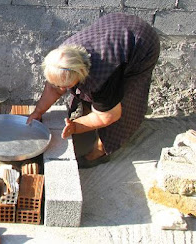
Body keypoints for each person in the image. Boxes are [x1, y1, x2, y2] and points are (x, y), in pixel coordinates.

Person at [27, 13, 160, 168]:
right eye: (58, 85)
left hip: (142, 44)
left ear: (81, 73)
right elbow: (53, 88)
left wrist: (76, 126)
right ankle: (89, 122)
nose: (61, 90)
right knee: (89, 95)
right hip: (115, 26)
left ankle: (100, 152)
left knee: (124, 99)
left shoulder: (103, 77)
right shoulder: (62, 57)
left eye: (65, 86)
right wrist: (38, 111)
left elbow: (108, 116)